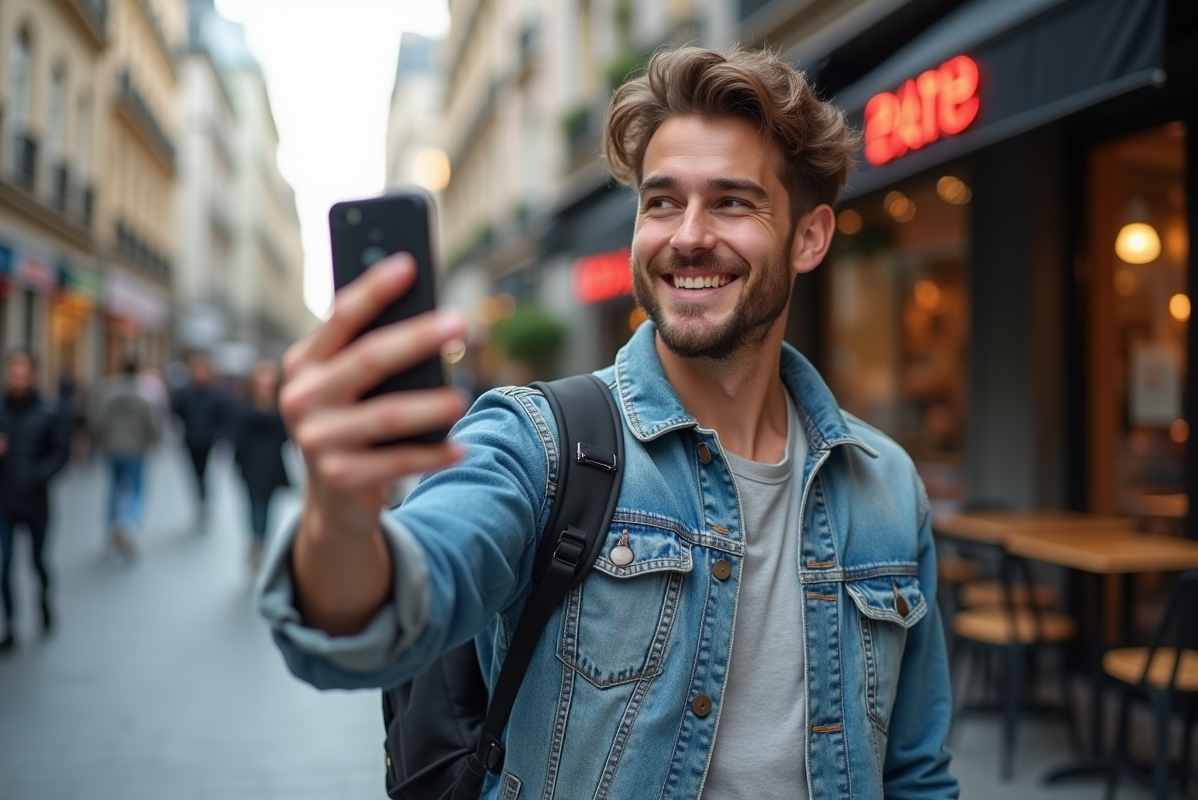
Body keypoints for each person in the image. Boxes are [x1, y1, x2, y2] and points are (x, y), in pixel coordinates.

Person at [260, 47, 957, 799]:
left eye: (731, 201)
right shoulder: (540, 443)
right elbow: (384, 614)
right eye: (661, 201)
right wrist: (337, 519)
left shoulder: (885, 483)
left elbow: (916, 773)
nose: (687, 235)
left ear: (810, 237)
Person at [0, 349, 70, 651]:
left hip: (37, 501)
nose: (16, 376)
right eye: (12, 370)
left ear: (33, 374)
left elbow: (60, 453)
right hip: (4, 499)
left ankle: (43, 599)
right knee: (6, 563)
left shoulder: (49, 410)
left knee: (37, 561)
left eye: (22, 370)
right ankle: (11, 626)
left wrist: (40, 474)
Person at [91, 358, 160, 558]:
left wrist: (99, 441)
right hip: (136, 450)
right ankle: (127, 524)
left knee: (114, 487)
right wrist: (153, 441)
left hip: (112, 448)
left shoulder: (107, 391)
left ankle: (113, 527)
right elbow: (153, 424)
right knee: (136, 490)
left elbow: (98, 421)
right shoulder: (145, 395)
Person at [233, 360, 289, 572]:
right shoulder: (245, 406)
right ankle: (256, 541)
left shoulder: (280, 406)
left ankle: (259, 542)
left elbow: (285, 436)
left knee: (267, 507)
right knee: (254, 506)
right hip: (251, 465)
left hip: (272, 465)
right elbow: (238, 437)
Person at [172, 352, 229, 523]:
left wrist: (219, 435)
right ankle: (200, 500)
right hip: (191, 440)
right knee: (195, 473)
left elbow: (222, 416)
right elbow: (178, 413)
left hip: (208, 441)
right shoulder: (186, 393)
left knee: (204, 473)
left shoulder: (215, 394)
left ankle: (204, 500)